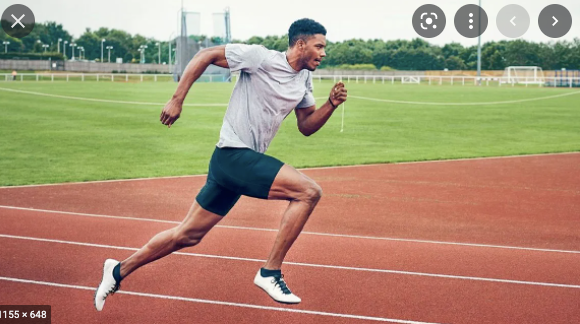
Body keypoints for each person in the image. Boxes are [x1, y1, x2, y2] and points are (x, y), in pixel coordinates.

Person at [94, 18, 347, 311]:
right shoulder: (260, 58)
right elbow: (205, 55)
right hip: (233, 154)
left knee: (187, 235)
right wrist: (177, 99)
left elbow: (306, 125)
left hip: (235, 165)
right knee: (308, 192)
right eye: (319, 46)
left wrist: (331, 104)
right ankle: (270, 272)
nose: (323, 53)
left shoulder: (303, 78)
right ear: (300, 44)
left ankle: (117, 269)